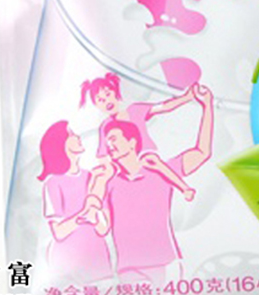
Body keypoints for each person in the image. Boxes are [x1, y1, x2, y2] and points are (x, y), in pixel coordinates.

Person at [83, 83, 214, 286]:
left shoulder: (159, 172)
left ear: (132, 143)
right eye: (107, 143)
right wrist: (93, 207)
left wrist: (207, 106)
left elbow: (202, 152)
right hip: (128, 270)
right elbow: (102, 226)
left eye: (114, 139)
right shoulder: (110, 184)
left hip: (167, 266)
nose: (110, 146)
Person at [79, 71, 197, 203]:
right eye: (101, 100)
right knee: (101, 175)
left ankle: (185, 188)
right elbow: (102, 155)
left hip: (142, 156)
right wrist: (108, 168)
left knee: (151, 160)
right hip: (121, 163)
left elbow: (163, 107)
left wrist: (187, 97)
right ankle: (92, 207)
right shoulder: (105, 126)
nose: (107, 101)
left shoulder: (135, 110)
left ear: (115, 92)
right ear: (96, 105)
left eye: (108, 94)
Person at [37, 121, 113, 283]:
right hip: (66, 265)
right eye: (71, 134)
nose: (78, 137)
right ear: (61, 144)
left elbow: (104, 228)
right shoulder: (53, 183)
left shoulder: (93, 178)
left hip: (98, 261)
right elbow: (59, 232)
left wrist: (98, 189)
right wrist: (83, 215)